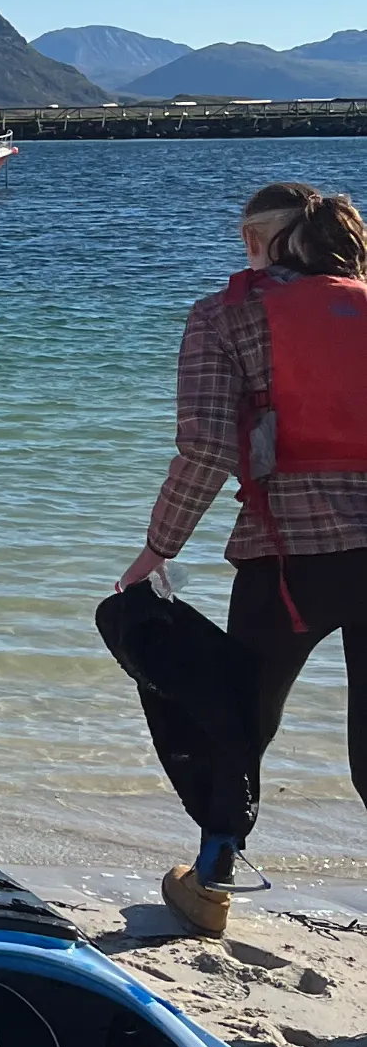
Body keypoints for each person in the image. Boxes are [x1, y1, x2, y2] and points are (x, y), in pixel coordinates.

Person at [120, 180, 367, 935]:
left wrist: (156, 552)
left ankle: (215, 874)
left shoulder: (224, 316)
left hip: (286, 558)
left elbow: (205, 449)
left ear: (259, 240)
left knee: (235, 718)